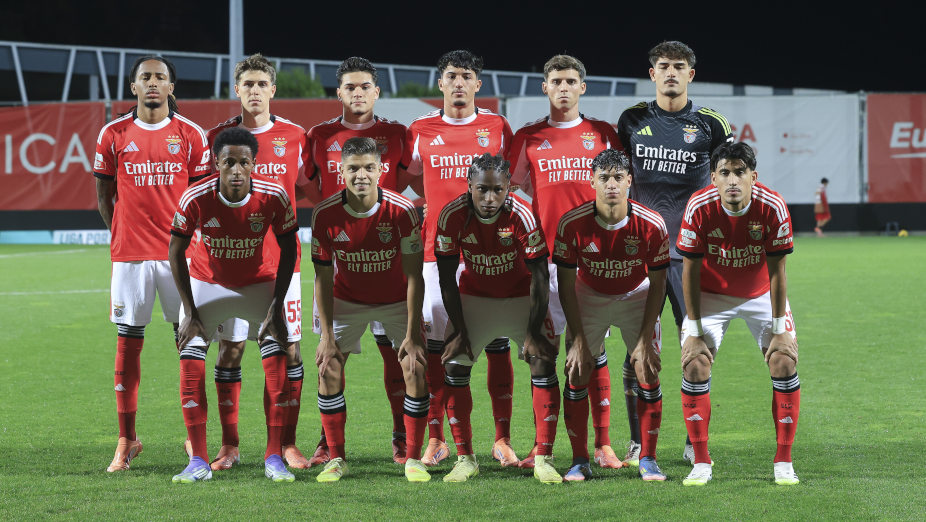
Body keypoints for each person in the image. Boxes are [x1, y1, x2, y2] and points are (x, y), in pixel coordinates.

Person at [616, 40, 734, 465]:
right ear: (652, 73)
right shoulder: (631, 120)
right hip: (640, 254)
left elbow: (731, 181)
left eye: (679, 66)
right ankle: (637, 442)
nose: (670, 72)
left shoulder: (711, 124)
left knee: (696, 348)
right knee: (637, 349)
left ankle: (692, 441)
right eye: (663, 65)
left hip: (691, 256)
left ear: (690, 74)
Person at [401, 50, 518, 467]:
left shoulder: (497, 127)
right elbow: (407, 181)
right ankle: (437, 437)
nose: (458, 83)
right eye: (451, 75)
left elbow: (510, 182)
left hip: (489, 252)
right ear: (440, 83)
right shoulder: (420, 130)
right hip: (436, 254)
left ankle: (502, 439)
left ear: (477, 84)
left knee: (497, 342)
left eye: (466, 76)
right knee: (439, 347)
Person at [94, 55, 211, 472]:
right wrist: (123, 233)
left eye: (161, 77)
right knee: (128, 342)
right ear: (134, 87)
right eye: (146, 77)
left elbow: (202, 199)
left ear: (171, 87)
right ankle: (127, 440)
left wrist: (193, 243)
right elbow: (104, 197)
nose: (153, 83)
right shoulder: (113, 133)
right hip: (131, 256)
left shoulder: (191, 134)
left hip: (181, 256)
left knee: (190, 342)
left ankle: (195, 439)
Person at [508, 54, 626, 469]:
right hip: (545, 263)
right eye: (556, 81)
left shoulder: (603, 133)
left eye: (571, 81)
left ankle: (603, 444)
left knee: (592, 351)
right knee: (543, 353)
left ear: (582, 87)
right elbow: (512, 189)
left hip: (592, 261)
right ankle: (542, 447)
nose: (563, 87)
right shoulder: (527, 137)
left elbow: (618, 191)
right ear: (545, 87)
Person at [196, 53, 310, 471]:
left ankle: (287, 444)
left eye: (262, 84)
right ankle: (229, 445)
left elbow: (308, 188)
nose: (255, 90)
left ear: (273, 89)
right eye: (248, 84)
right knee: (230, 350)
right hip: (229, 266)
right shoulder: (217, 137)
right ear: (237, 89)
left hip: (281, 265)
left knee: (289, 351)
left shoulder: (295, 136)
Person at [168, 127, 299, 483]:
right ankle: (198, 461)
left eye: (244, 162)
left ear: (254, 163)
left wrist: (277, 306)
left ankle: (274, 457)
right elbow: (175, 250)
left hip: (258, 283)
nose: (237, 170)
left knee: (277, 358)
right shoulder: (196, 196)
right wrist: (190, 312)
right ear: (217, 163)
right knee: (190, 358)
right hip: (207, 283)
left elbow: (290, 248)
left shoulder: (273, 195)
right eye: (229, 162)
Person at [305, 57, 413, 465]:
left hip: (388, 260)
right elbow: (308, 187)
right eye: (349, 86)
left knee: (396, 356)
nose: (357, 93)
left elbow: (416, 183)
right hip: (342, 258)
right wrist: (335, 218)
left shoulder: (397, 134)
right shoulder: (319, 136)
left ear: (377, 91)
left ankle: (402, 437)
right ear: (338, 92)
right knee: (330, 357)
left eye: (365, 86)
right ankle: (327, 442)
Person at [675, 142, 800, 486]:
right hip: (711, 295)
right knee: (694, 364)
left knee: (784, 361)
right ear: (713, 178)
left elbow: (778, 271)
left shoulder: (772, 206)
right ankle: (701, 461)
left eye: (740, 172)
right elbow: (689, 272)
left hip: (760, 294)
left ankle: (783, 460)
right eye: (725, 173)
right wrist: (694, 331)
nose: (733, 180)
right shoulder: (699, 207)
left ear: (753, 177)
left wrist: (779, 328)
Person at [434, 153, 560, 484]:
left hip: (520, 297)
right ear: (469, 186)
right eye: (482, 189)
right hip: (475, 299)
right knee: (455, 365)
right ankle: (465, 459)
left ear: (508, 188)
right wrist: (459, 330)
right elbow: (446, 277)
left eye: (498, 190)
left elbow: (540, 276)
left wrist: (534, 331)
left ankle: (544, 458)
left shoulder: (521, 214)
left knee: (542, 360)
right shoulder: (452, 215)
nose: (490, 198)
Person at [310, 137, 429, 483]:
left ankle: (413, 459)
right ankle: (336, 458)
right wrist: (327, 337)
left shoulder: (402, 211)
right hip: (347, 300)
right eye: (353, 168)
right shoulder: (325, 214)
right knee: (328, 366)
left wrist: (412, 334)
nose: (360, 175)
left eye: (368, 168)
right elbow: (322, 277)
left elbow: (414, 275)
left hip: (395, 300)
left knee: (415, 365)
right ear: (340, 171)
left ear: (381, 170)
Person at [553, 149, 669, 482]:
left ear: (629, 180)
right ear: (592, 182)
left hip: (636, 295)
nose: (611, 184)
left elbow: (658, 283)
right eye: (604, 178)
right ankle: (579, 460)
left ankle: (648, 458)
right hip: (589, 295)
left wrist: (645, 339)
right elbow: (565, 285)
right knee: (577, 370)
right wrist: (577, 339)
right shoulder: (572, 223)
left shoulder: (651, 223)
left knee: (647, 369)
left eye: (618, 177)